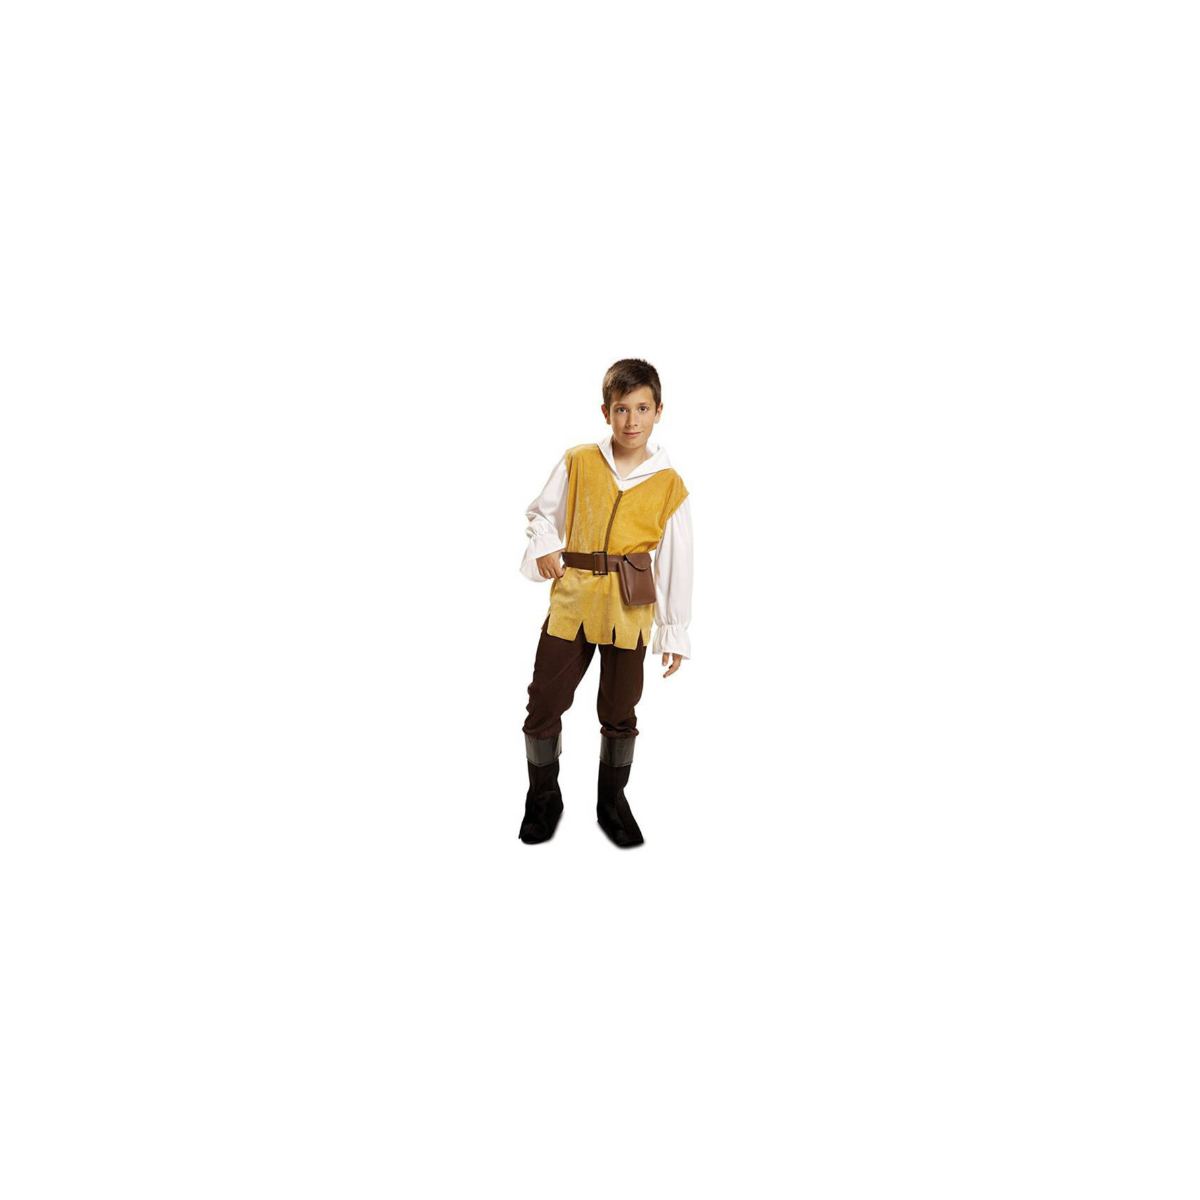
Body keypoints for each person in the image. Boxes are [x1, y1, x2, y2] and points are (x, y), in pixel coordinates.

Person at [517, 358, 693, 847]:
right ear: (606, 412)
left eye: (642, 408)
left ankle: (612, 804)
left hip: (629, 611)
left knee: (620, 711)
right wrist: (545, 546)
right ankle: (543, 799)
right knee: (544, 701)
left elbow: (677, 560)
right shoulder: (578, 460)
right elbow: (542, 514)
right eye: (621, 409)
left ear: (659, 411)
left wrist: (674, 630)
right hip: (573, 602)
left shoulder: (669, 484)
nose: (631, 420)